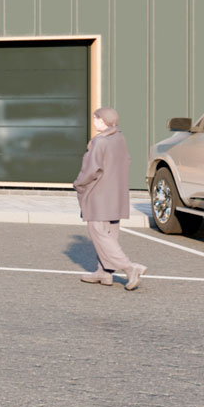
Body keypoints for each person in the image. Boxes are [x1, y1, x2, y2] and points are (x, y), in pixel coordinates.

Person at [74, 106, 145, 290]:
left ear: (103, 121)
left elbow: (91, 170)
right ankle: (104, 273)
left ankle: (130, 268)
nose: (94, 122)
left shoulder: (100, 142)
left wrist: (78, 183)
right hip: (116, 193)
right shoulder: (119, 138)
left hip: (100, 194)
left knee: (98, 231)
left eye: (96, 119)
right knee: (110, 233)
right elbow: (126, 161)